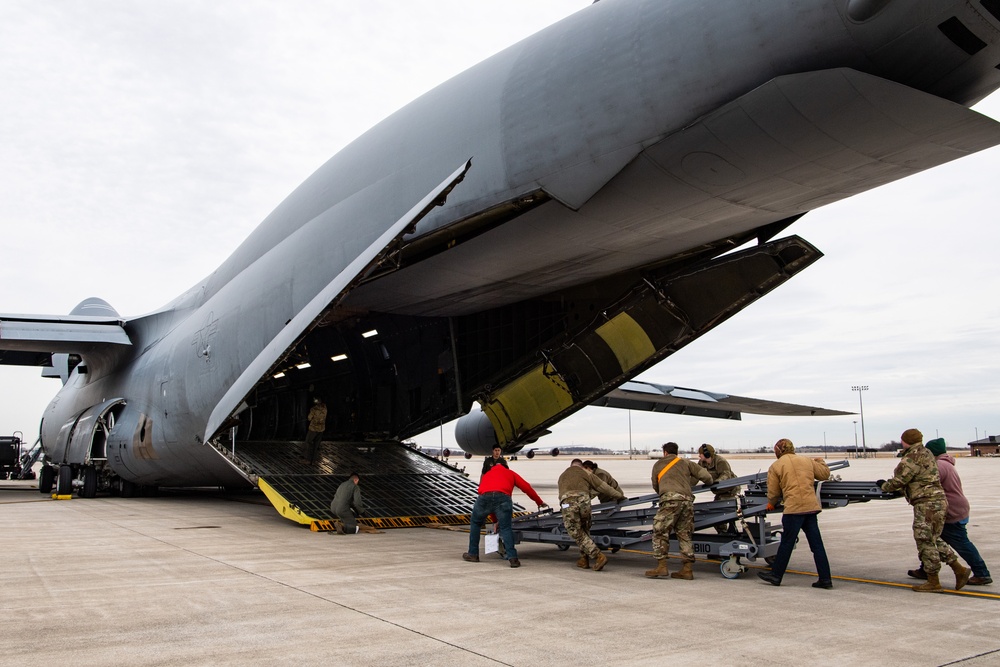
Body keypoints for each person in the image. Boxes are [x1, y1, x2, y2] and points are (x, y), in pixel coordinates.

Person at [879, 428, 970, 593]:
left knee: (924, 541)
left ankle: (933, 581)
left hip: (926, 504)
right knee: (933, 538)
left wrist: (884, 486)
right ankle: (959, 569)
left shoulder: (912, 457)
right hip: (937, 502)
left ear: (906, 441)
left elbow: (900, 480)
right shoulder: (927, 453)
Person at [905, 438, 990, 586]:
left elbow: (923, 483)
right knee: (930, 538)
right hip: (957, 507)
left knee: (956, 542)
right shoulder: (946, 463)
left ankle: (982, 573)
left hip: (951, 510)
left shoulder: (938, 466)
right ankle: (926, 569)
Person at [756, 438, 833, 589]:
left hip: (794, 509)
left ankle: (776, 576)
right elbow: (824, 474)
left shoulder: (776, 466)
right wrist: (820, 461)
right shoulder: (806, 461)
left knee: (786, 543)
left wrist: (771, 503)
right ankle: (825, 579)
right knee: (817, 546)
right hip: (811, 508)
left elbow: (773, 491)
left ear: (779, 450)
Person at [645, 442, 713, 580]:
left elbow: (655, 485)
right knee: (684, 534)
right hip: (687, 502)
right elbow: (707, 478)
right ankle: (687, 569)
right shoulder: (686, 463)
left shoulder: (658, 465)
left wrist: (665, 494)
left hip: (670, 501)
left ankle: (662, 566)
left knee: (660, 531)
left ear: (664, 452)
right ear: (676, 452)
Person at [464, 462, 547, 568]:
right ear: (506, 467)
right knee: (506, 528)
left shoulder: (487, 474)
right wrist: (539, 502)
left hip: (484, 497)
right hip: (503, 498)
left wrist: (495, 521)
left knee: (475, 523)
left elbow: (487, 497)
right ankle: (513, 558)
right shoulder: (510, 473)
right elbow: (526, 487)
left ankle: (473, 554)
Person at [557, 459, 625, 571]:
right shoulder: (586, 473)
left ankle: (598, 556)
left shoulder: (563, 475)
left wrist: (564, 508)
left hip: (568, 503)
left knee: (575, 531)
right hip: (585, 502)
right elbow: (604, 487)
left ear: (571, 466)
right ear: (581, 466)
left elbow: (561, 494)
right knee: (584, 530)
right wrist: (619, 496)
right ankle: (584, 559)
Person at [697, 444, 740, 533]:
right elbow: (696, 475)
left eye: (700, 454)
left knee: (725, 512)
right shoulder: (701, 463)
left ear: (707, 454)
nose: (699, 456)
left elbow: (726, 474)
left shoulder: (720, 461)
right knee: (716, 515)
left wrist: (717, 482)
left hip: (729, 489)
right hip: (719, 491)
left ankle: (730, 531)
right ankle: (723, 533)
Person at [303, 397, 327, 465]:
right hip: (321, 429)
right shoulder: (325, 408)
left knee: (307, 442)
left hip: (313, 429)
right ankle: (313, 461)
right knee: (316, 445)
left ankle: (306, 459)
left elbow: (309, 418)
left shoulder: (313, 409)